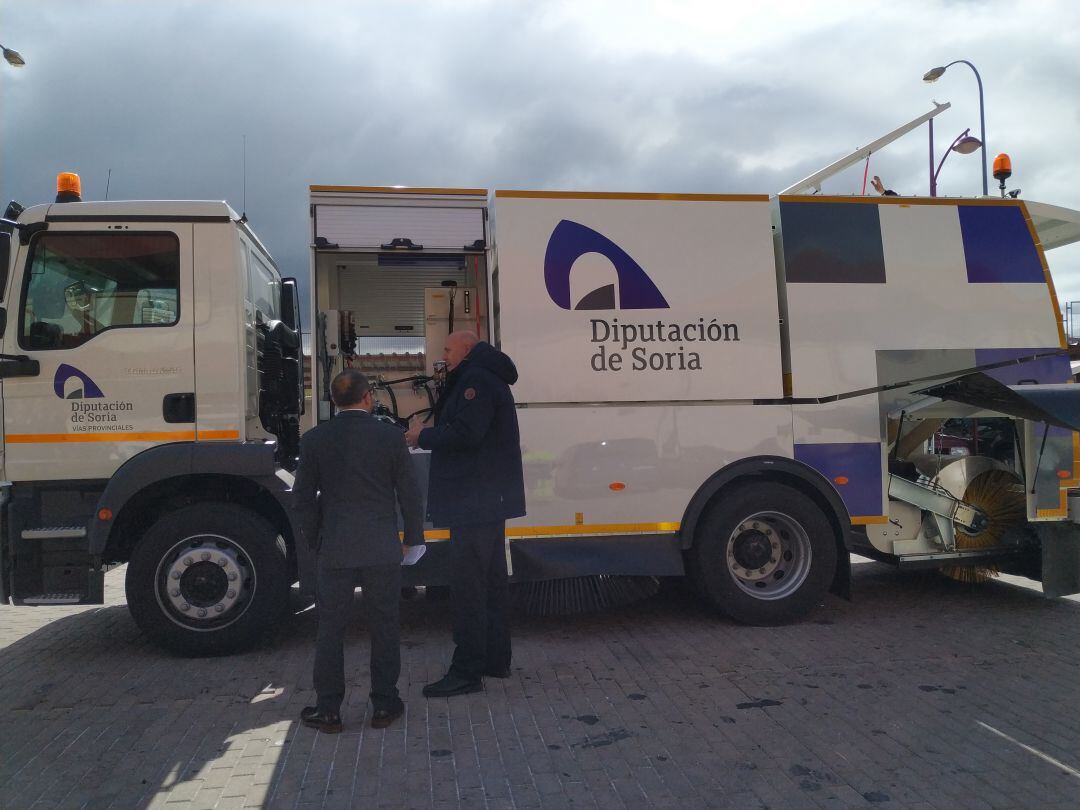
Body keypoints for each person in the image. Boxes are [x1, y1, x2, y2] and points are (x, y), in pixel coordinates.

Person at [293, 368, 424, 732]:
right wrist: (413, 537)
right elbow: (409, 493)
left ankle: (329, 709)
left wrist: (316, 537)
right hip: (382, 547)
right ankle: (384, 704)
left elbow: (302, 498)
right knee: (384, 626)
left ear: (334, 401)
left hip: (335, 547)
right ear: (368, 397)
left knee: (330, 629)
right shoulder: (390, 437)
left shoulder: (316, 438)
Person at [405, 331, 526, 697]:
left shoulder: (476, 379)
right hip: (486, 500)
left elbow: (467, 434)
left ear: (467, 349)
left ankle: (467, 671)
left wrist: (422, 437)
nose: (443, 354)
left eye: (447, 348)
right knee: (490, 584)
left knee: (470, 587)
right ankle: (495, 659)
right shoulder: (485, 377)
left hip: (473, 501)